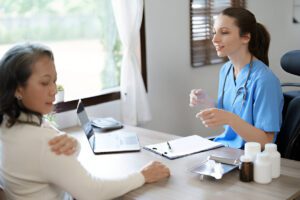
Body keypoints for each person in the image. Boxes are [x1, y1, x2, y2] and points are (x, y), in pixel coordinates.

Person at [0, 42, 170, 200]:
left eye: (54, 81)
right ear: (18, 89)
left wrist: (74, 144)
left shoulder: (7, 124)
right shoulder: (43, 142)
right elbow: (93, 192)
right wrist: (142, 176)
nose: (53, 90)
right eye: (44, 83)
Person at [189, 7, 283, 149]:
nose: (214, 39)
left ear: (245, 37)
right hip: (225, 149)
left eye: (224, 32)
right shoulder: (226, 70)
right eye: (214, 32)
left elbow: (266, 141)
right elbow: (230, 112)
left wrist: (230, 119)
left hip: (249, 159)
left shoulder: (265, 80)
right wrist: (207, 101)